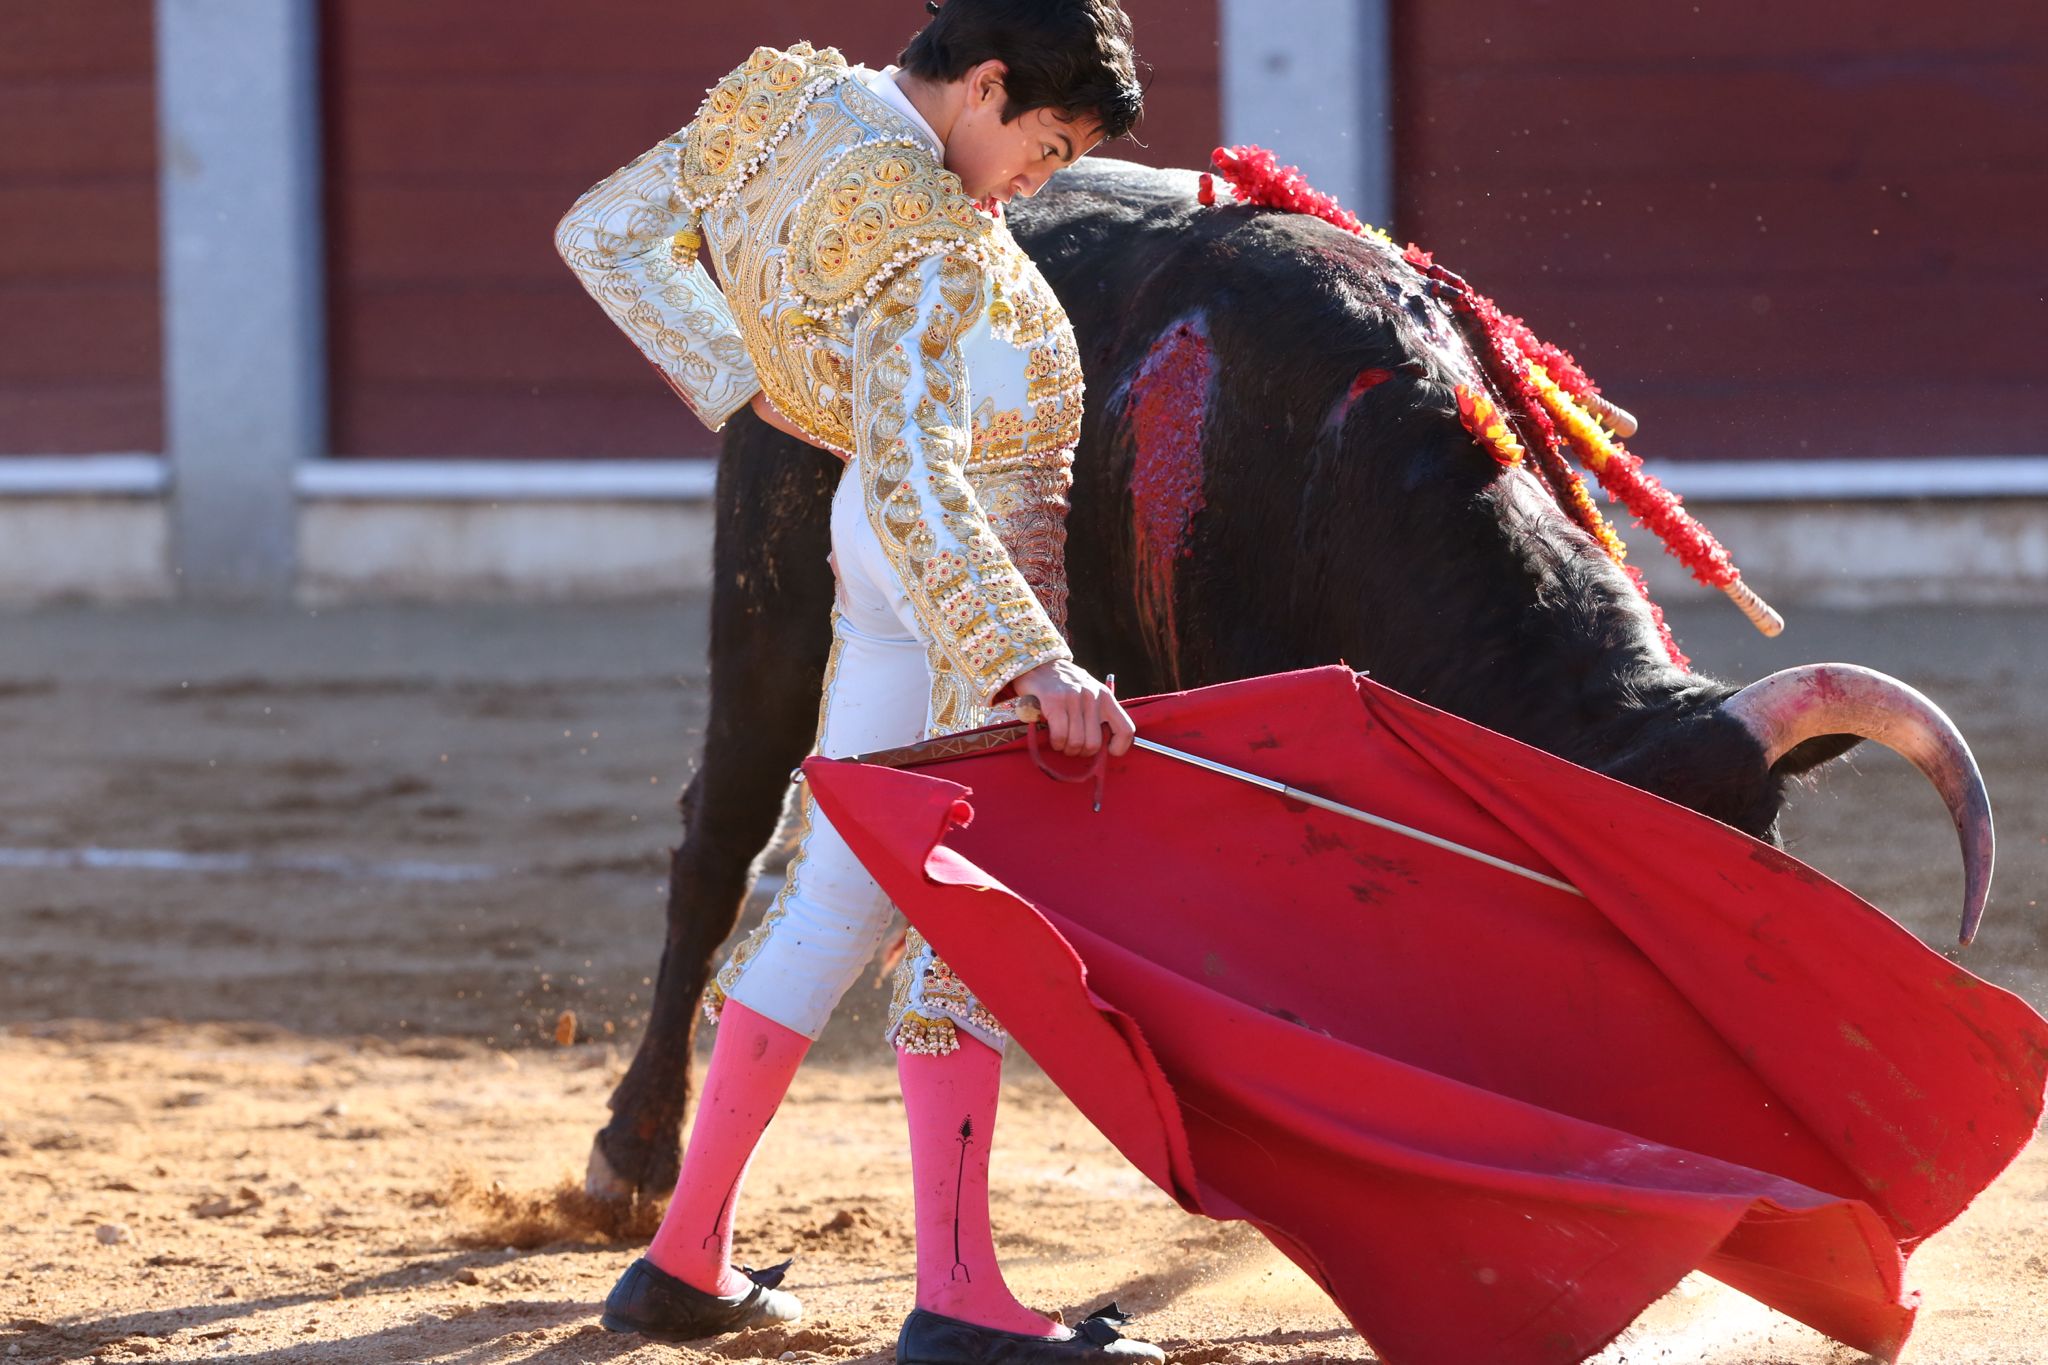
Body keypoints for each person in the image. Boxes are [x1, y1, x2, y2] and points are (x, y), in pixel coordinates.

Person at [553, 3, 1155, 1360]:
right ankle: (959, 1296)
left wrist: (749, 379)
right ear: (987, 84)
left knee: (833, 891)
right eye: (1045, 147)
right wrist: (1033, 657)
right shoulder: (934, 239)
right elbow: (921, 474)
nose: (1037, 182)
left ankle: (684, 1252)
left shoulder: (781, 108)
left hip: (874, 561)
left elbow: (602, 231)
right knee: (958, 918)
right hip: (961, 568)